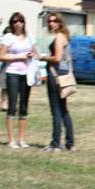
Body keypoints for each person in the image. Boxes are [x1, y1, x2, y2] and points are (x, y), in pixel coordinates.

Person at [0, 12, 38, 149]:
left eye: (20, 21)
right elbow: (2, 56)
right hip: (13, 73)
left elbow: (35, 53)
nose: (18, 24)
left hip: (26, 74)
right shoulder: (8, 38)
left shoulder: (30, 37)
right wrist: (18, 57)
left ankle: (22, 139)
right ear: (12, 23)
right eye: (15, 21)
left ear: (23, 23)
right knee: (12, 106)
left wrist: (32, 55)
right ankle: (11, 140)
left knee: (24, 106)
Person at [40, 13, 75, 152]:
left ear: (60, 23)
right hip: (63, 75)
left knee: (56, 111)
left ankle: (55, 143)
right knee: (63, 110)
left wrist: (43, 58)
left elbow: (57, 58)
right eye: (49, 21)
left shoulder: (59, 37)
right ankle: (70, 142)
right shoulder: (64, 36)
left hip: (56, 76)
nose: (51, 23)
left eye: (54, 21)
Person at [0, 27, 11, 111]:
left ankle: (12, 103)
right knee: (4, 87)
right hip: (6, 66)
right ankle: (4, 103)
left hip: (16, 66)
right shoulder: (3, 44)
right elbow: (1, 56)